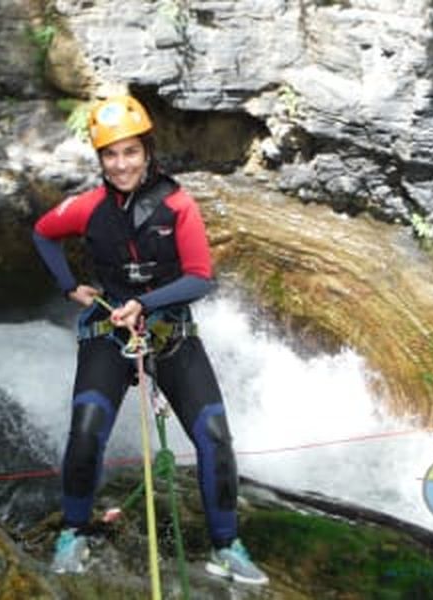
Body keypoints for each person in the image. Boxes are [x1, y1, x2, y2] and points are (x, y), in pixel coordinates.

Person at [32, 95, 268, 585]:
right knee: (86, 430)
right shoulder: (89, 208)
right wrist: (68, 285)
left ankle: (227, 546)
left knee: (214, 437)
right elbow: (41, 233)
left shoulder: (178, 205)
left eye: (130, 152)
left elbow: (200, 278)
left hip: (169, 331)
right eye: (110, 155)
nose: (121, 165)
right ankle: (73, 532)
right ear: (100, 160)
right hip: (110, 332)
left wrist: (148, 303)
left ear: (147, 153)